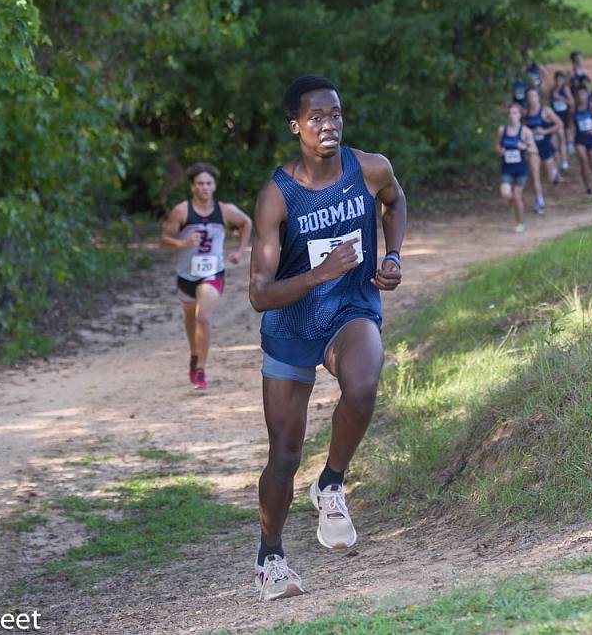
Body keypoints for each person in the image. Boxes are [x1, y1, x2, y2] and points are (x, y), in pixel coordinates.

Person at [249, 74, 407, 602]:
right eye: (315, 118)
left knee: (363, 386)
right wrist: (319, 273)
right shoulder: (277, 196)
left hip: (350, 308)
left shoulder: (369, 168)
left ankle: (333, 483)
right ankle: (270, 556)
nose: (328, 126)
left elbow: (395, 201)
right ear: (296, 125)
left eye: (335, 115)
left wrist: (391, 255)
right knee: (285, 454)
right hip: (291, 325)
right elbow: (259, 294)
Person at [160, 163, 252, 390]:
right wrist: (182, 243)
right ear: (192, 187)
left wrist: (240, 251)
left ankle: (201, 368)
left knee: (203, 317)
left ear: (215, 186)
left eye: (209, 183)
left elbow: (246, 223)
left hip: (213, 272)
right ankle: (194, 355)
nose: (205, 188)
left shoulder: (224, 210)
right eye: (200, 183)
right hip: (186, 274)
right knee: (191, 319)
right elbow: (164, 240)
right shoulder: (181, 211)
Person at [497, 101, 537, 233]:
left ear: (520, 115)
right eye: (509, 113)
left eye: (514, 113)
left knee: (517, 195)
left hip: (520, 168)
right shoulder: (502, 130)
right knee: (505, 193)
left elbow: (534, 150)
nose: (511, 116)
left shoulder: (525, 132)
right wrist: (499, 150)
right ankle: (514, 202)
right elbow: (497, 145)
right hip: (507, 168)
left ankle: (519, 223)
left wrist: (524, 147)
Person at [524, 86, 561, 213]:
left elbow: (559, 124)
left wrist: (545, 131)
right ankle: (539, 202)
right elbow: (523, 129)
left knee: (550, 178)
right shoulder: (526, 113)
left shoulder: (546, 111)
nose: (532, 99)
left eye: (534, 96)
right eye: (529, 96)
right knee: (534, 174)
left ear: (538, 97)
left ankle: (554, 171)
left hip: (545, 145)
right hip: (533, 148)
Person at [570, 85, 592, 195]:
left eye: (583, 94)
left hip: (591, 137)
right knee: (583, 160)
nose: (581, 97)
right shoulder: (573, 110)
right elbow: (570, 125)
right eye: (579, 95)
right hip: (580, 138)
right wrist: (569, 138)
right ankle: (588, 187)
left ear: (587, 95)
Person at [550, 71, 573, 172]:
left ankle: (564, 161)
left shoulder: (565, 89)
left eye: (561, 79)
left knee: (562, 137)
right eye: (557, 79)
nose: (559, 81)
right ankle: (557, 162)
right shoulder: (552, 90)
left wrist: (559, 97)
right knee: (555, 141)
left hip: (564, 114)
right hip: (555, 116)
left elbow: (571, 102)